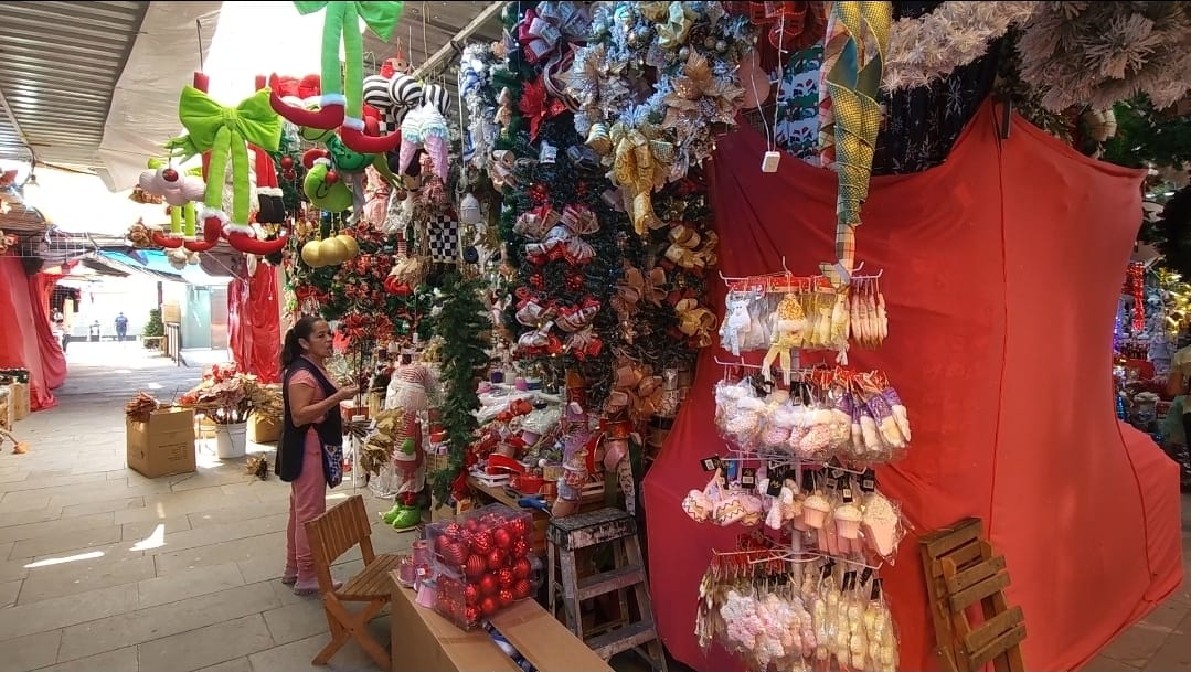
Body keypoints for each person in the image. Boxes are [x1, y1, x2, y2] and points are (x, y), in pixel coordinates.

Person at [275, 316, 358, 595]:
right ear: (303, 343)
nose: (327, 340)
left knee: (299, 509)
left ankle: (293, 567)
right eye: (320, 336)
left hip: (310, 445)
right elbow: (299, 416)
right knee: (310, 513)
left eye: (328, 334)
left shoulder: (311, 368)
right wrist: (338, 397)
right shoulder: (302, 375)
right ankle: (308, 574)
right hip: (309, 448)